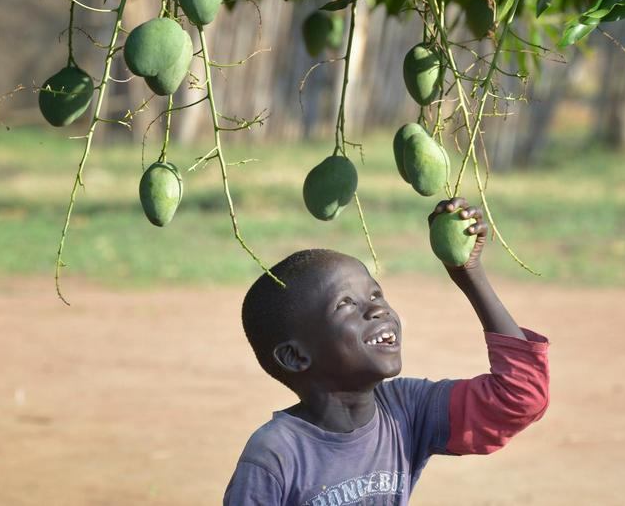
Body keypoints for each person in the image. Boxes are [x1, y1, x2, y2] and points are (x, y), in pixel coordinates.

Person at [225, 198, 550, 505]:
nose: (377, 310)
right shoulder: (275, 454)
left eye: (376, 295)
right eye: (346, 304)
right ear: (296, 357)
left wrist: (469, 273)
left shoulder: (406, 410)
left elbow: (519, 397)